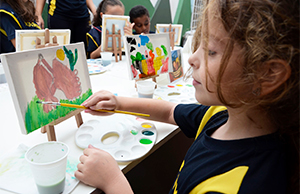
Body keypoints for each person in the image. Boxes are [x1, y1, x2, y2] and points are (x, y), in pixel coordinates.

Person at [74, 0, 299, 193]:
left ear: (268, 74)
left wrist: (113, 181)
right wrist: (118, 102)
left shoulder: (244, 184)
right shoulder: (222, 114)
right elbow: (171, 111)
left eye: (211, 51)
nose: (191, 58)